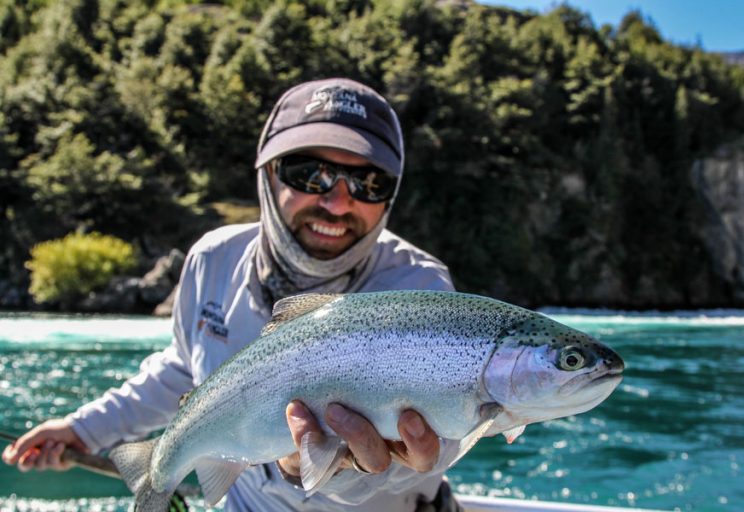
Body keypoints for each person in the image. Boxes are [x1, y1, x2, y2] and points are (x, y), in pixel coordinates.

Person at [3, 78, 462, 511]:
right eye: (309, 174)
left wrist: (325, 466)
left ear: (391, 196)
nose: (338, 202)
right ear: (267, 173)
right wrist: (83, 430)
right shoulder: (212, 259)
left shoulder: (420, 293)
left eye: (368, 182)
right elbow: (185, 369)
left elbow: (439, 446)